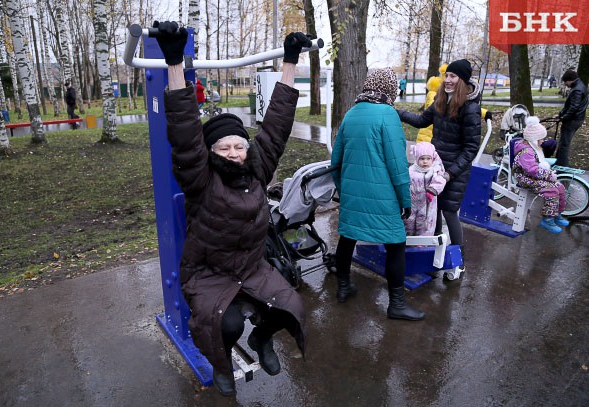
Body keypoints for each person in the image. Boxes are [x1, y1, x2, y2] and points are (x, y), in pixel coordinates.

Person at [151, 20, 312, 397]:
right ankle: (220, 360)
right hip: (207, 273)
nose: (233, 153)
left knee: (290, 305)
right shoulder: (201, 179)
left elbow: (277, 123)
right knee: (227, 323)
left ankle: (262, 341)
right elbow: (185, 132)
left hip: (251, 267)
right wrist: (174, 62)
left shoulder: (257, 168)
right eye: (223, 148)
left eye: (238, 146)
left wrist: (290, 61)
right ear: (210, 153)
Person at [331, 67, 425, 321]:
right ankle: (396, 304)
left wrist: (344, 190)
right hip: (382, 197)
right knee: (396, 245)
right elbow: (397, 164)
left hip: (353, 193)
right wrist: (405, 200)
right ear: (391, 89)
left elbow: (336, 160)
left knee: (347, 238)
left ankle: (343, 287)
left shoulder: (351, 114)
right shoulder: (388, 114)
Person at [397, 59, 481, 280]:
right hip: (434, 167)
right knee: (432, 213)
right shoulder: (440, 101)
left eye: (454, 77)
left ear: (463, 80)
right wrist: (396, 112)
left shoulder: (470, 109)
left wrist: (449, 173)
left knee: (449, 213)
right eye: (447, 76)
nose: (448, 80)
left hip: (454, 171)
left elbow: (471, 148)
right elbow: (421, 120)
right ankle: (432, 259)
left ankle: (459, 262)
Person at [511, 116, 569, 233]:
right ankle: (547, 220)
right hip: (524, 178)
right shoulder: (526, 151)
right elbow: (532, 169)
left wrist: (547, 172)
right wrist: (548, 175)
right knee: (551, 190)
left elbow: (538, 165)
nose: (542, 141)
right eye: (540, 139)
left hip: (533, 176)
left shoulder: (534, 147)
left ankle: (556, 214)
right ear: (533, 139)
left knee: (560, 187)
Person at [404, 142, 447, 237]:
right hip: (413, 202)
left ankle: (422, 241)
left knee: (425, 222)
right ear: (417, 159)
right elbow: (406, 182)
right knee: (409, 220)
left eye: (428, 159)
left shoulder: (434, 171)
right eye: (422, 159)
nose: (425, 162)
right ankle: (408, 237)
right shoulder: (411, 171)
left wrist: (433, 190)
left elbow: (440, 180)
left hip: (427, 203)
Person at [556, 69, 588, 167]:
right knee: (563, 143)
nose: (565, 84)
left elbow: (573, 107)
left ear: (570, 80)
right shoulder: (580, 86)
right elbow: (570, 106)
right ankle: (558, 162)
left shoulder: (577, 90)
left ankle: (562, 167)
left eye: (566, 82)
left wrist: (564, 118)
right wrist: (560, 114)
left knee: (564, 145)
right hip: (577, 119)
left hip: (572, 120)